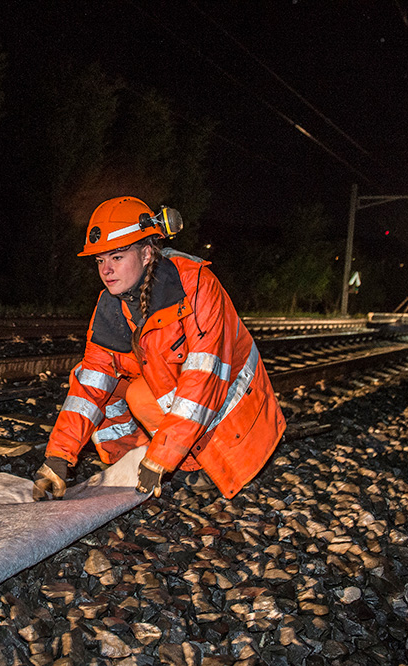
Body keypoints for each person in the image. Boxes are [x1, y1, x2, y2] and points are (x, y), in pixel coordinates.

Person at [32, 196, 286, 501]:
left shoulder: (196, 287)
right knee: (97, 380)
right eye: (100, 260)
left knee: (143, 396)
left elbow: (204, 380)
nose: (106, 270)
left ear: (147, 253)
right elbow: (90, 384)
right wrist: (59, 456)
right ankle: (128, 461)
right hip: (183, 405)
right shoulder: (112, 304)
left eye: (117, 257)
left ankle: (192, 467)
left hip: (237, 423)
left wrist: (162, 457)